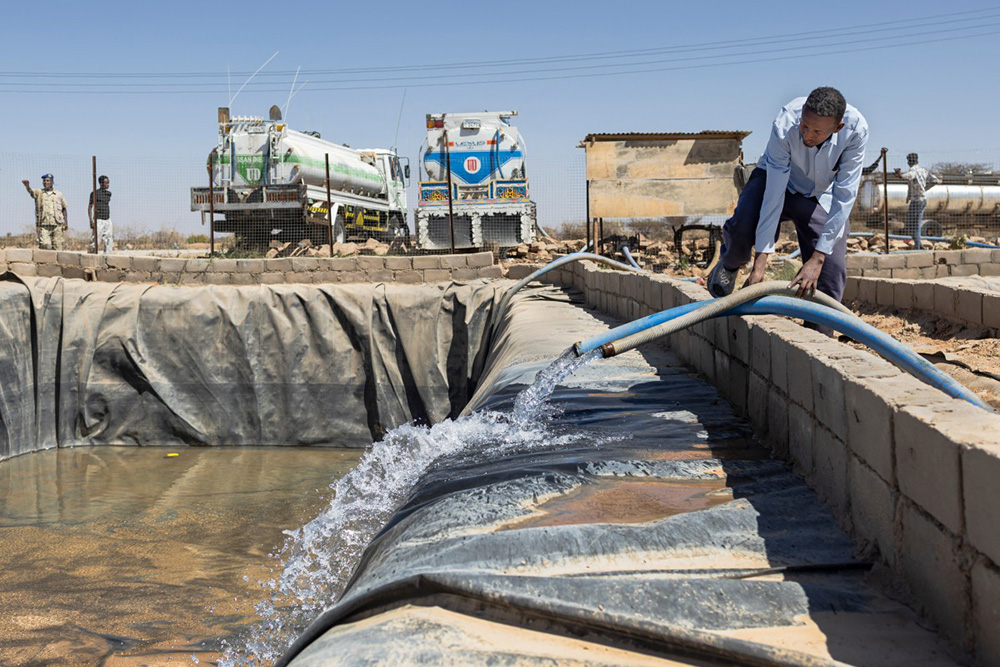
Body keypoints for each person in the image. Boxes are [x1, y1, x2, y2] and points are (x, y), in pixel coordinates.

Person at [707, 87, 868, 314]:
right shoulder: (786, 121)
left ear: (838, 127)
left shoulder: (856, 131)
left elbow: (845, 195)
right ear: (801, 113)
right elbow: (773, 195)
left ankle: (816, 335)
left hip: (819, 193)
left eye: (817, 132)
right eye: (804, 125)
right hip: (774, 178)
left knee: (830, 271)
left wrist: (818, 259)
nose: (807, 136)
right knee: (742, 227)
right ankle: (729, 265)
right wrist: (759, 268)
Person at [895, 153, 939, 250]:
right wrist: (924, 188)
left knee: (910, 224)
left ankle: (918, 246)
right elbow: (936, 180)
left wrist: (900, 175)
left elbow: (909, 176)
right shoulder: (923, 171)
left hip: (916, 202)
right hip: (922, 200)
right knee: (917, 224)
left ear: (909, 162)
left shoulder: (913, 171)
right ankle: (918, 245)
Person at [22, 174, 68, 250]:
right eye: (44, 181)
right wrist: (27, 186)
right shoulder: (39, 192)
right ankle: (47, 261)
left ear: (52, 182)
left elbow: (64, 209)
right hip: (44, 224)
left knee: (58, 245)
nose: (45, 182)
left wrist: (66, 222)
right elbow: (31, 192)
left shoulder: (59, 194)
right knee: (45, 244)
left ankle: (55, 262)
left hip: (57, 224)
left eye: (48, 181)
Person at [88, 175, 114, 253]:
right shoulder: (94, 193)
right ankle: (91, 257)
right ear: (101, 183)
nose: (107, 185)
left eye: (108, 183)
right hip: (98, 220)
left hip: (107, 220)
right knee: (95, 240)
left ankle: (107, 259)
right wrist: (91, 221)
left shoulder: (109, 194)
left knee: (109, 240)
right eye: (106, 183)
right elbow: (90, 207)